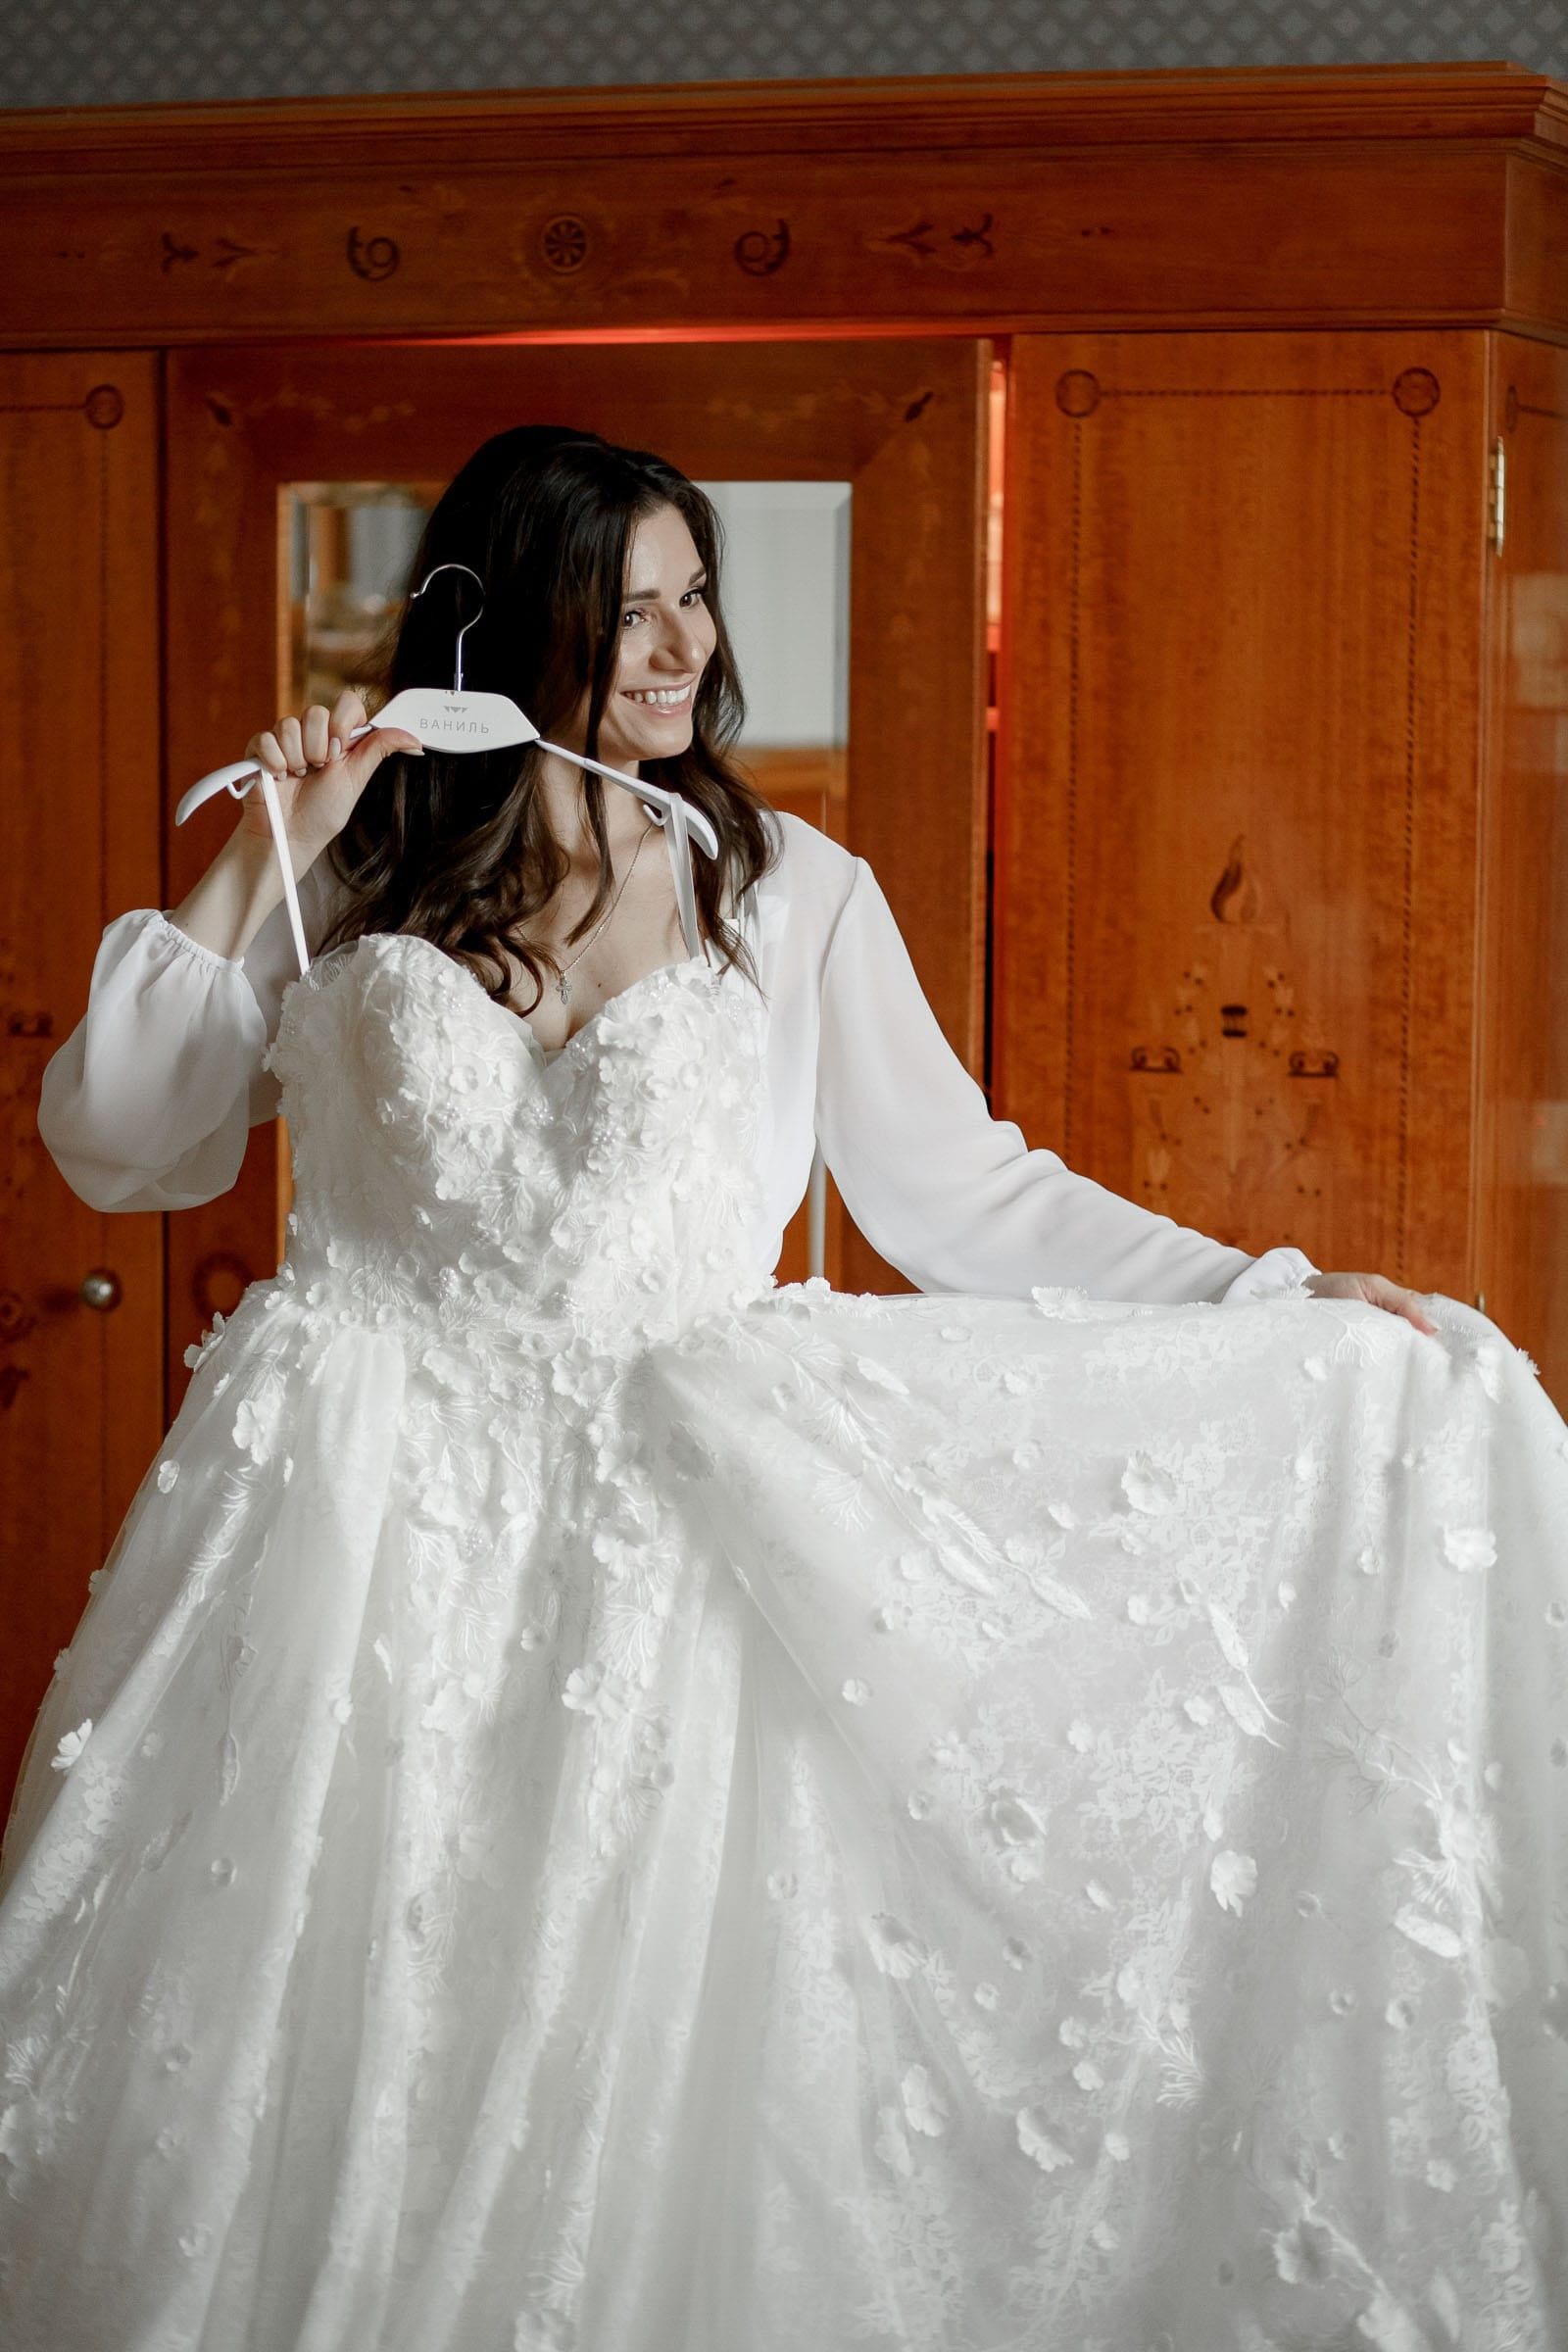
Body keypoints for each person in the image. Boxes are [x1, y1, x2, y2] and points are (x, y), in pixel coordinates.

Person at [1, 425, 1563, 2352]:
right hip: (356, 1545)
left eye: (694, 598)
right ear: (502, 620)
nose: (680, 649)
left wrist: (1265, 1288)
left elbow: (965, 1191)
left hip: (657, 1561)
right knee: (333, 2024)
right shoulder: (363, 870)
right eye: (626, 609)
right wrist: (267, 852)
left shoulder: (784, 887)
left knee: (624, 2043)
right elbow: (115, 1139)